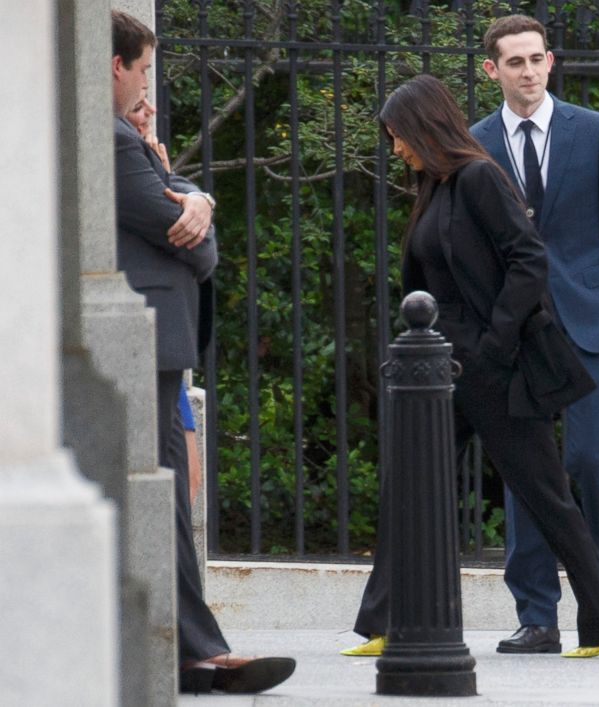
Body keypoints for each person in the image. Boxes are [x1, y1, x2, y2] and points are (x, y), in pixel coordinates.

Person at [342, 74, 599, 658]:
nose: (396, 149)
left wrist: (494, 350)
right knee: (411, 487)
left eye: (400, 136)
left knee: (547, 497)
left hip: (490, 371)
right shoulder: (436, 186)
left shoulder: (477, 178)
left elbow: (529, 260)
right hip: (442, 373)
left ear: (425, 128)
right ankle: (384, 620)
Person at [112, 10, 295, 693]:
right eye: (143, 70)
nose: (145, 87)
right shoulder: (113, 140)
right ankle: (195, 650)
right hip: (144, 344)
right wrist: (197, 199)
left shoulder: (126, 141)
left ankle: (192, 647)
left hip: (150, 344)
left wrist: (182, 183)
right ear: (115, 66)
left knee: (163, 499)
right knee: (162, 500)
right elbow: (194, 244)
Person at [470, 15, 599, 653]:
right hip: (516, 329)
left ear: (551, 62)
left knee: (595, 459)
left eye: (536, 59)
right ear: (491, 70)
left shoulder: (595, 131)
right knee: (528, 471)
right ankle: (537, 617)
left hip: (592, 321)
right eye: (514, 62)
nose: (528, 71)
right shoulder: (475, 141)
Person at [125, 93, 202, 504]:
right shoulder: (124, 155)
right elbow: (191, 243)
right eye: (139, 108)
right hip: (141, 343)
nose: (148, 116)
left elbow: (177, 191)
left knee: (186, 480)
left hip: (165, 356)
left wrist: (200, 199)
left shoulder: (150, 158)